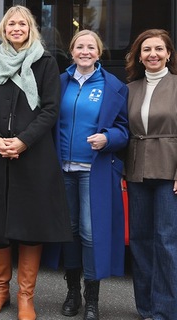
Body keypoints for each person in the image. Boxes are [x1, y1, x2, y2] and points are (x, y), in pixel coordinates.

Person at [0, 5, 70, 320]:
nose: (16, 27)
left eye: (22, 23)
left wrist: (23, 141)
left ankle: (25, 296)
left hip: (33, 155)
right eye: (11, 23)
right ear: (3, 29)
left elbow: (50, 110)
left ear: (31, 28)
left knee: (30, 227)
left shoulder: (45, 62)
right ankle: (0, 290)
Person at [51, 30, 129, 320]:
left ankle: (91, 299)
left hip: (93, 172)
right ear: (71, 52)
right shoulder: (58, 83)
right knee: (69, 232)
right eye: (79, 46)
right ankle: (71, 292)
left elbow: (124, 129)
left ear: (99, 52)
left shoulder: (113, 86)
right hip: (62, 170)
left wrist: (108, 138)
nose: (85, 51)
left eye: (91, 47)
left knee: (89, 233)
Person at [124, 29, 177, 320]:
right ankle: (146, 308)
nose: (152, 54)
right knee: (141, 242)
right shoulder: (130, 89)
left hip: (171, 174)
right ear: (139, 56)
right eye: (146, 50)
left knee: (168, 244)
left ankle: (166, 313)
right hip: (137, 172)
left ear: (169, 54)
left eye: (158, 49)